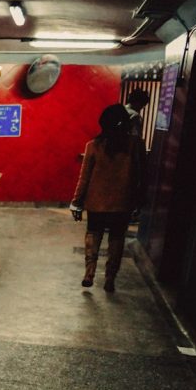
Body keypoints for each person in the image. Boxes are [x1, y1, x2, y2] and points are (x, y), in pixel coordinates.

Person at [69, 103, 144, 292]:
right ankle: (110, 278)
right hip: (123, 203)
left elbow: (84, 178)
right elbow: (141, 175)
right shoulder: (136, 145)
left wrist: (77, 203)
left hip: (96, 203)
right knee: (117, 239)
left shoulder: (93, 146)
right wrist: (139, 201)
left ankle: (89, 273)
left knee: (93, 235)